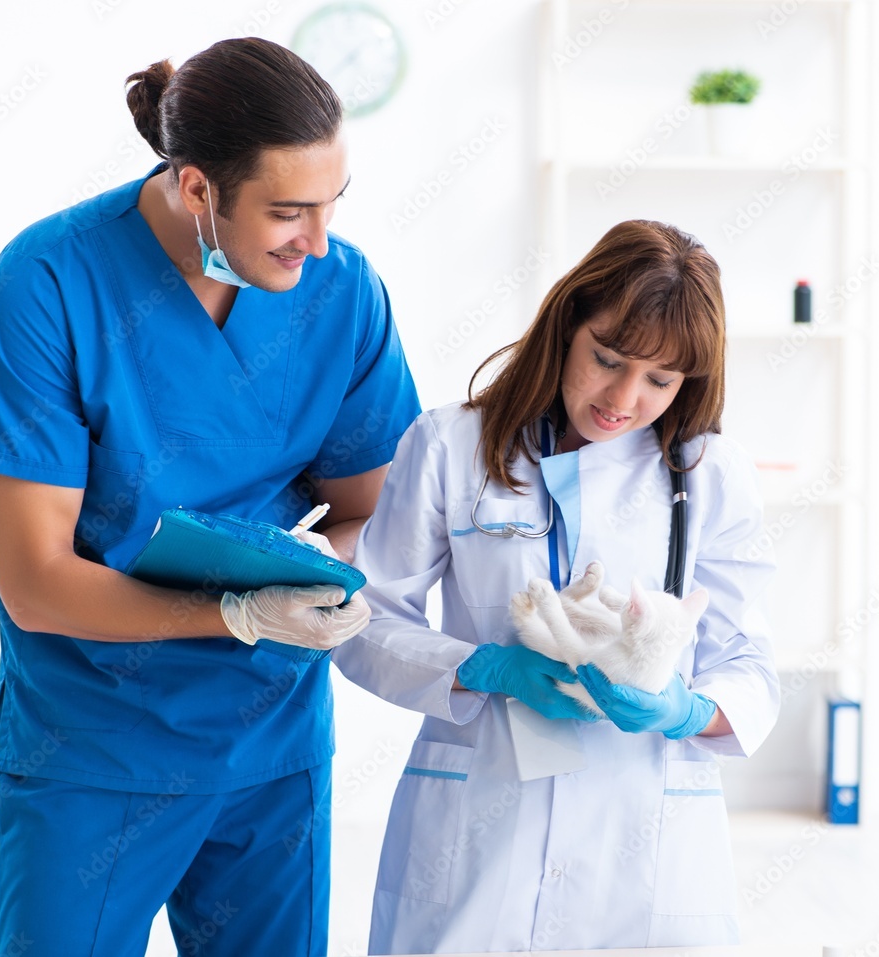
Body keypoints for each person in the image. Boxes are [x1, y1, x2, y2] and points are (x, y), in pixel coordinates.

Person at [0, 37, 419, 957]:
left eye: (331, 205)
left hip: (269, 746)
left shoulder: (343, 292)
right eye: (288, 212)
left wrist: (327, 574)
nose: (317, 243)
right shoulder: (45, 289)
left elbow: (373, 509)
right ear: (198, 186)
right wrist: (240, 610)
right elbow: (36, 581)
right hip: (96, 747)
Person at [332, 220, 779, 953]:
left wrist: (687, 709)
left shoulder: (707, 476)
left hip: (643, 840)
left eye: (660, 380)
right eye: (608, 358)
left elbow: (751, 665)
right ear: (567, 323)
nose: (623, 398)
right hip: (481, 821)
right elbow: (366, 618)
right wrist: (480, 667)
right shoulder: (452, 445)